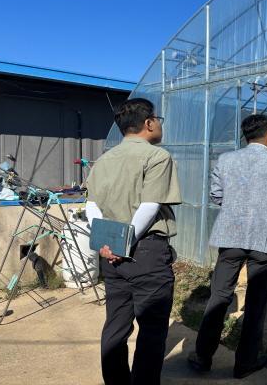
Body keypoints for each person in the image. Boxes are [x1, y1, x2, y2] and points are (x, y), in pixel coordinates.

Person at [187, 114, 267, 379]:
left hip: (230, 238)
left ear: (245, 135)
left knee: (219, 297)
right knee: (256, 303)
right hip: (264, 240)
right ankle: (245, 362)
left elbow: (216, 195)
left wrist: (237, 208)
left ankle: (203, 356)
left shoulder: (226, 160)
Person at [85, 98, 182, 385]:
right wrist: (122, 244)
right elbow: (149, 206)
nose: (159, 124)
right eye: (157, 118)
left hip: (110, 255)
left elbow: (91, 207)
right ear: (149, 123)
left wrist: (108, 245)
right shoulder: (157, 156)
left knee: (116, 325)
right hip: (145, 252)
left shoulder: (104, 160)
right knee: (151, 332)